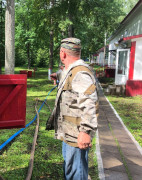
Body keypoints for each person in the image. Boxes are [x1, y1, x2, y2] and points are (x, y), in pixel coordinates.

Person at [46, 38, 98, 180]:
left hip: (77, 134)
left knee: (76, 172)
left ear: (63, 54)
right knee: (70, 168)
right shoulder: (72, 70)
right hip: (69, 132)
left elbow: (90, 104)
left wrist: (85, 132)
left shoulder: (80, 73)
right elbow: (67, 76)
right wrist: (57, 75)